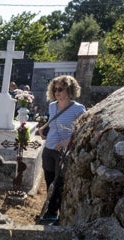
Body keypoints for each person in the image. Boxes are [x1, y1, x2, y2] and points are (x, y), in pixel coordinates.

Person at [39, 75, 86, 223]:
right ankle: (50, 209)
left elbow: (84, 129)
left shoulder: (78, 109)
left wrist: (68, 141)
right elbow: (53, 122)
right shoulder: (52, 106)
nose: (57, 92)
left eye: (60, 89)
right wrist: (44, 128)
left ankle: (53, 213)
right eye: (55, 89)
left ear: (70, 89)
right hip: (49, 148)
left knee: (59, 182)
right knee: (49, 180)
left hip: (63, 152)